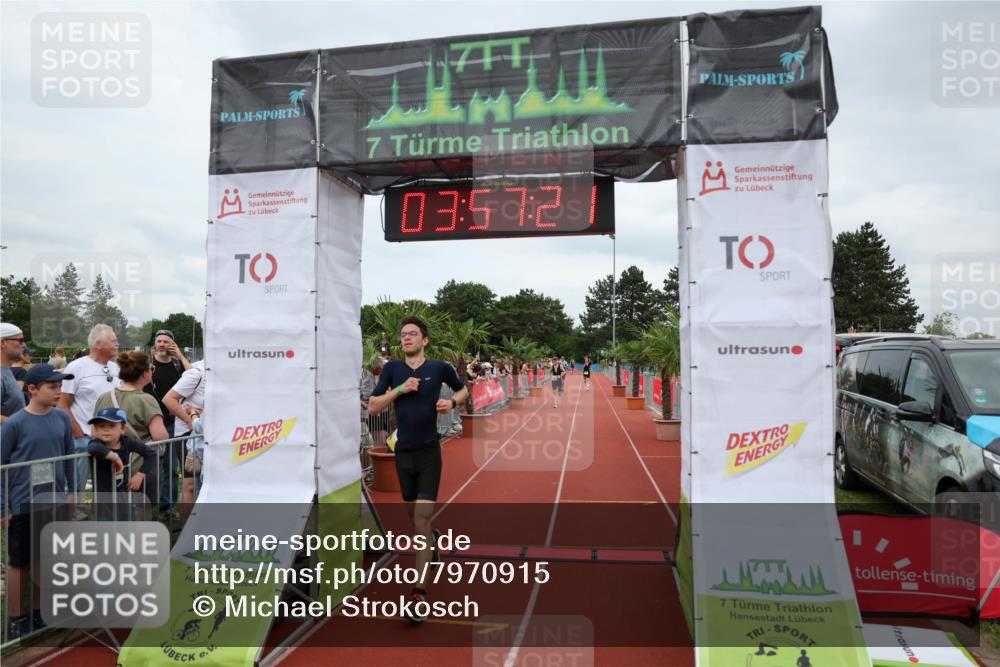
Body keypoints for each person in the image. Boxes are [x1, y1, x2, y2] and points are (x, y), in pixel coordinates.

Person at [368, 316, 468, 623]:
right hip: (403, 454)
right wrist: (399, 390)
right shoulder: (392, 370)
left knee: (421, 521)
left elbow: (464, 391)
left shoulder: (440, 368)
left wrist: (451, 403)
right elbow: (373, 405)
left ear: (424, 340)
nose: (407, 338)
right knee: (413, 517)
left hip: (428, 452)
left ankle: (419, 593)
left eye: (413, 334)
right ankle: (434, 540)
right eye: (403, 335)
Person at [1, 364, 77, 639]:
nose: (59, 392)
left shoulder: (61, 418)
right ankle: (15, 618)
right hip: (23, 504)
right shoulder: (15, 424)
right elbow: (2, 466)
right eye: (52, 387)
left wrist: (73, 492)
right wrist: (3, 507)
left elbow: (70, 457)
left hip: (53, 502)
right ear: (32, 389)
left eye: (60, 387)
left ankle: (39, 612)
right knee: (20, 562)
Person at [93, 351, 169, 516]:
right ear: (144, 373)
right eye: (151, 368)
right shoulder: (146, 400)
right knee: (141, 512)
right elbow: (160, 437)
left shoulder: (104, 397)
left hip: (109, 466)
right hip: (140, 466)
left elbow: (95, 432)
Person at [59, 324, 121, 494]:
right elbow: (63, 404)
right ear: (98, 344)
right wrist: (80, 434)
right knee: (76, 486)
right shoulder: (76, 367)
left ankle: (102, 518)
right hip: (84, 438)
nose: (117, 344)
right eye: (113, 340)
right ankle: (71, 517)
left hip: (110, 439)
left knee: (106, 486)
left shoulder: (116, 368)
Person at [144, 330, 192, 514]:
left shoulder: (179, 365)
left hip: (173, 423)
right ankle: (148, 504)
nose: (162, 344)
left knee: (171, 467)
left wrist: (180, 355)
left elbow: (194, 375)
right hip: (150, 422)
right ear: (154, 345)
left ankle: (168, 506)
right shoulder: (148, 366)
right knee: (149, 467)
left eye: (166, 341)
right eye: (159, 341)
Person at [86, 407, 157, 520]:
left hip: (125, 502)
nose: (106, 430)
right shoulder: (96, 443)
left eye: (111, 425)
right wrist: (115, 458)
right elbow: (93, 448)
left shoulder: (127, 442)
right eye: (101, 426)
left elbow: (151, 454)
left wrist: (140, 475)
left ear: (123, 428)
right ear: (95, 429)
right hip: (104, 505)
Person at [162, 360, 205, 504]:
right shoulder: (197, 372)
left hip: (209, 433)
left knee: (204, 483)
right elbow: (168, 399)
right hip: (189, 436)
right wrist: (190, 420)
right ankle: (187, 525)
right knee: (191, 485)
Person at [1, 323, 27, 423]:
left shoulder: (6, 370)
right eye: (20, 340)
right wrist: (21, 424)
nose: (24, 345)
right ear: (3, 343)